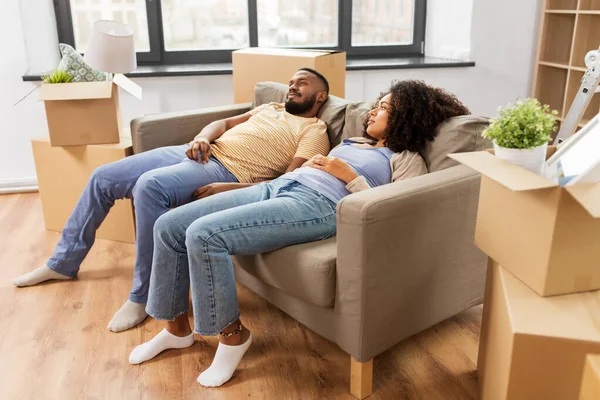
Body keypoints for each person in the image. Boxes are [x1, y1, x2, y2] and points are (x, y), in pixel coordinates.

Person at [128, 80, 471, 388]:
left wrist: (347, 174)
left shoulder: (405, 157)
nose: (374, 110)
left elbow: (398, 209)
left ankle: (233, 337)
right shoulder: (352, 140)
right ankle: (176, 331)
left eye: (385, 108)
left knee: (204, 235)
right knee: (169, 226)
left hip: (319, 205)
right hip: (282, 188)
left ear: (405, 118)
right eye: (378, 103)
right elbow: (295, 173)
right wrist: (245, 185)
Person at [13, 68, 331, 333]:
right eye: (291, 83)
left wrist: (230, 189)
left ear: (320, 97)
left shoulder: (315, 131)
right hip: (198, 151)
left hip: (228, 172)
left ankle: (144, 296)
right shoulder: (269, 108)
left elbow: (286, 183)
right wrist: (203, 137)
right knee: (104, 176)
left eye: (302, 83)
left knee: (149, 187)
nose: (292, 87)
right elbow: (223, 125)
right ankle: (62, 263)